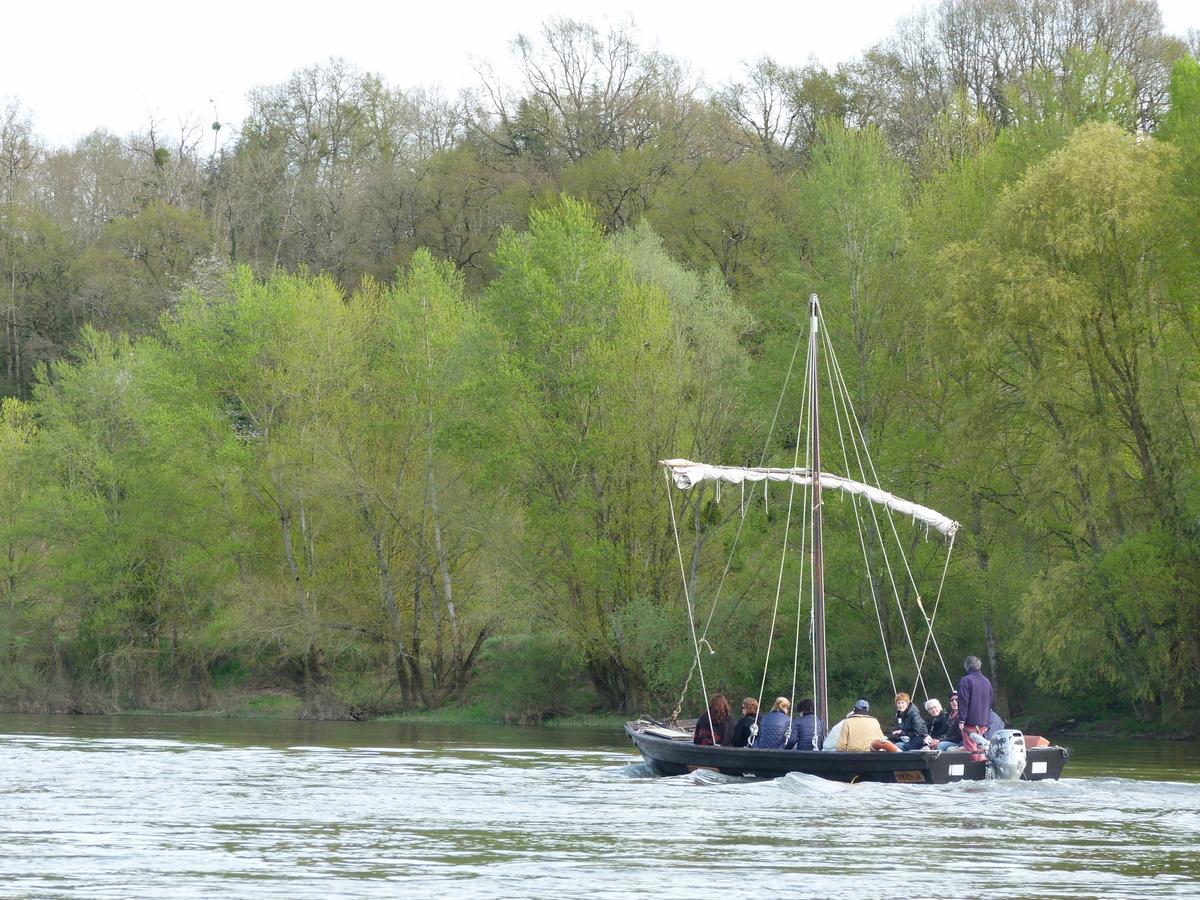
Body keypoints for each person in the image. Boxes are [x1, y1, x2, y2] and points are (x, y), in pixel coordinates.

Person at [958, 655, 993, 761]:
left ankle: (974, 772)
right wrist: (987, 721)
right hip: (983, 721)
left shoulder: (965, 680)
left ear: (966, 666)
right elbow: (990, 702)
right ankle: (982, 770)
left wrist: (962, 720)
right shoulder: (987, 682)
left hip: (970, 721)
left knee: (971, 748)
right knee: (981, 747)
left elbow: (963, 701)